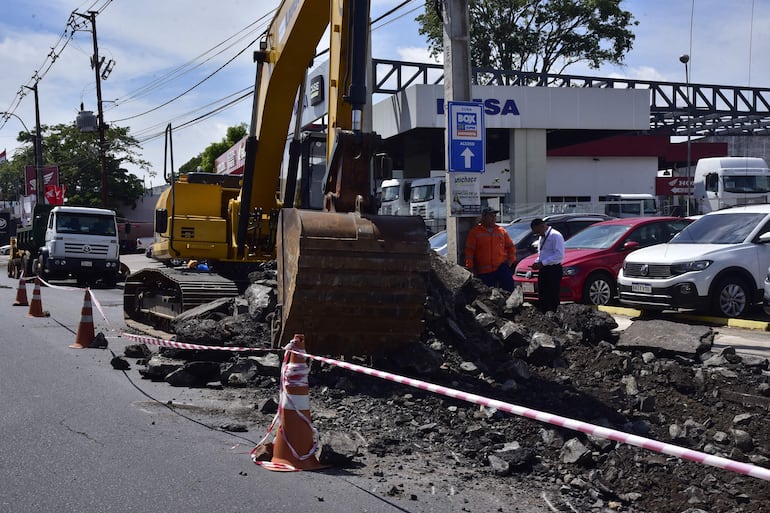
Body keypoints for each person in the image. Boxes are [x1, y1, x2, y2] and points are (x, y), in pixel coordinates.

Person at [464, 206, 516, 291]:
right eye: (491, 216)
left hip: (501, 268)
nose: (493, 218)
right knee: (488, 294)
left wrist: (510, 261)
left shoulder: (501, 231)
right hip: (484, 271)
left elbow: (511, 247)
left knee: (509, 289)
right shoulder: (475, 232)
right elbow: (469, 251)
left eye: (494, 216)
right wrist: (470, 268)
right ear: (484, 217)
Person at [530, 218, 565, 313]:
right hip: (544, 270)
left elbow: (559, 255)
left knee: (553, 296)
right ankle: (545, 316)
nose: (537, 234)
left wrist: (542, 263)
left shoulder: (555, 236)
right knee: (543, 295)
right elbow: (542, 254)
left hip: (553, 269)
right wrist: (537, 262)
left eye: (538, 232)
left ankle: (554, 316)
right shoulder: (542, 237)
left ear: (542, 226)